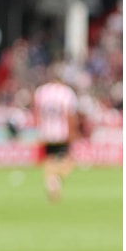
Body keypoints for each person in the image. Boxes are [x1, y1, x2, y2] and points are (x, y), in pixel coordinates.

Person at [33, 65, 79, 203]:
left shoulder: (41, 92)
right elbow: (69, 114)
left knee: (50, 160)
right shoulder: (66, 92)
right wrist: (73, 133)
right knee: (69, 161)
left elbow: (36, 112)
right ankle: (55, 179)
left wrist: (38, 128)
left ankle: (52, 181)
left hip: (46, 132)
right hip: (62, 133)